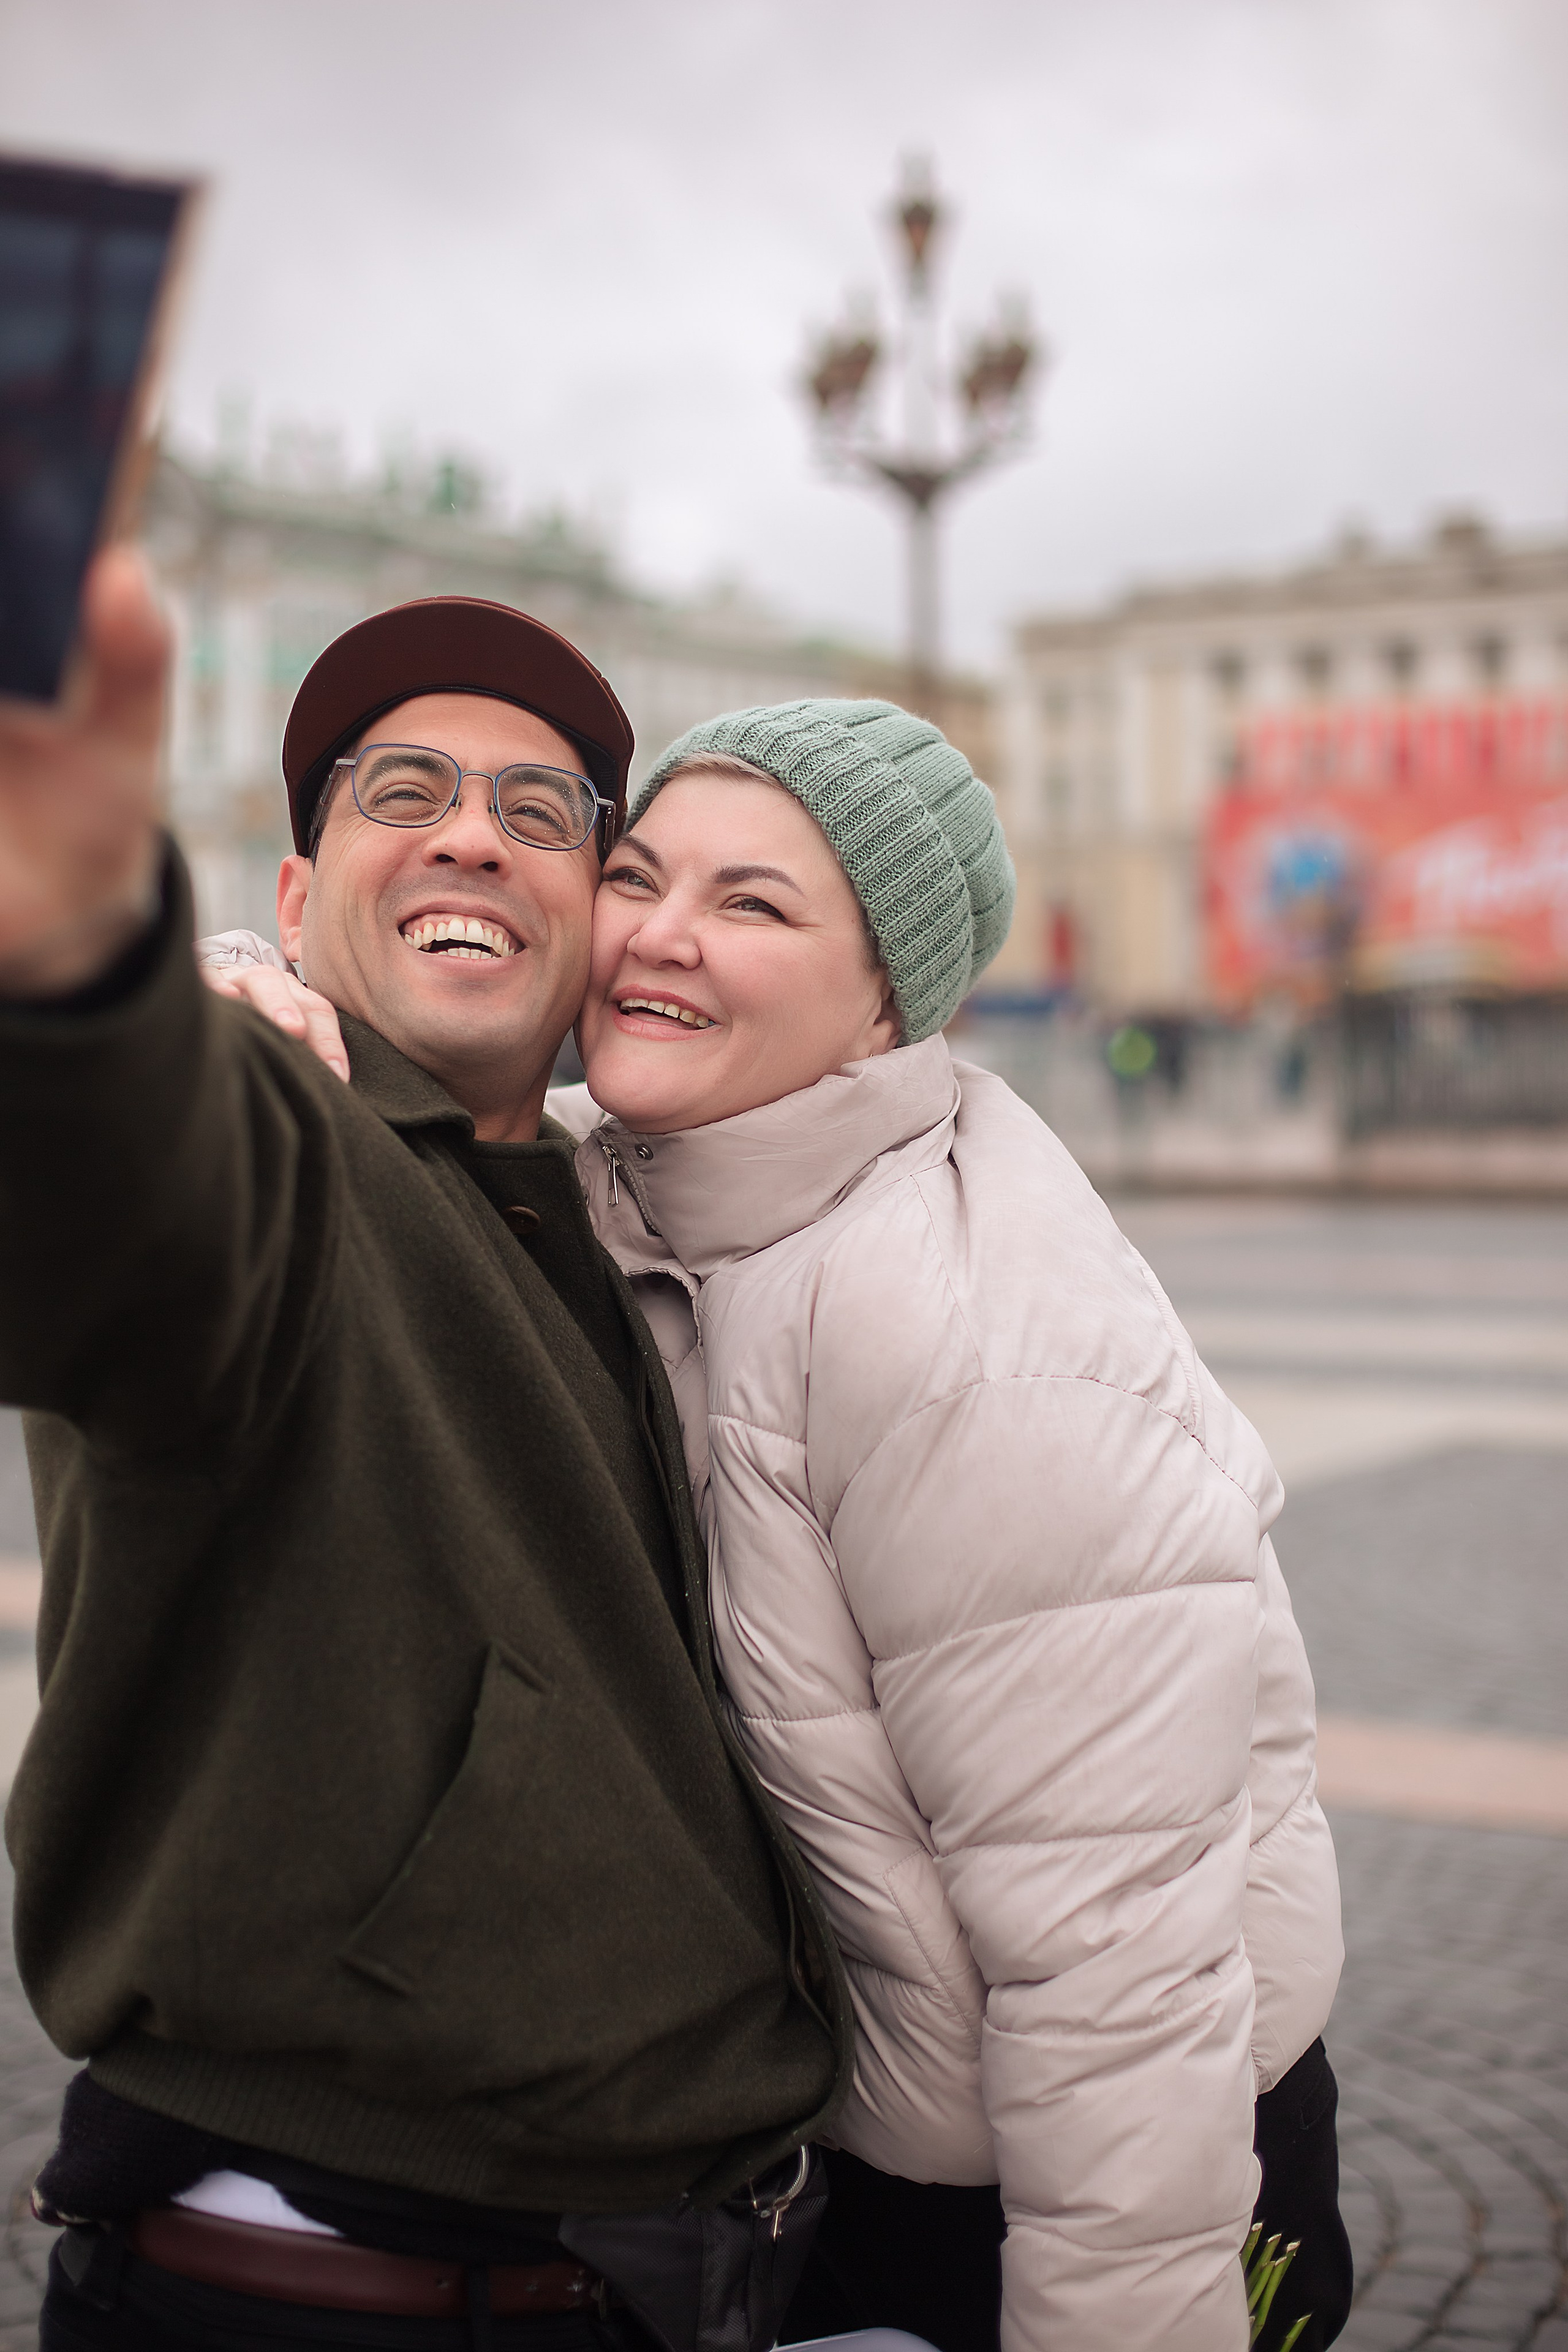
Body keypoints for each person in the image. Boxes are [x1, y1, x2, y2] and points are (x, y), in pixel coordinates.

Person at [211, 698, 1353, 2352]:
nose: (659, 938)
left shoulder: (979, 1345)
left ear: (888, 1000)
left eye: (753, 905)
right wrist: (231, 996)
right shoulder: (638, 1184)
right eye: (642, 877)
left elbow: (1120, 1974)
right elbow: (363, 1077)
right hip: (844, 2149)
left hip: (1063, 2180)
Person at [0, 557, 851, 2352]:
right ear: (294, 897)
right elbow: (113, 1192)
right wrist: (82, 976)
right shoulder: (286, 1144)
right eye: (404, 792)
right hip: (338, 2299)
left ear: (595, 923)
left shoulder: (615, 1227)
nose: (472, 834)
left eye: (541, 815)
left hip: (654, 2280)